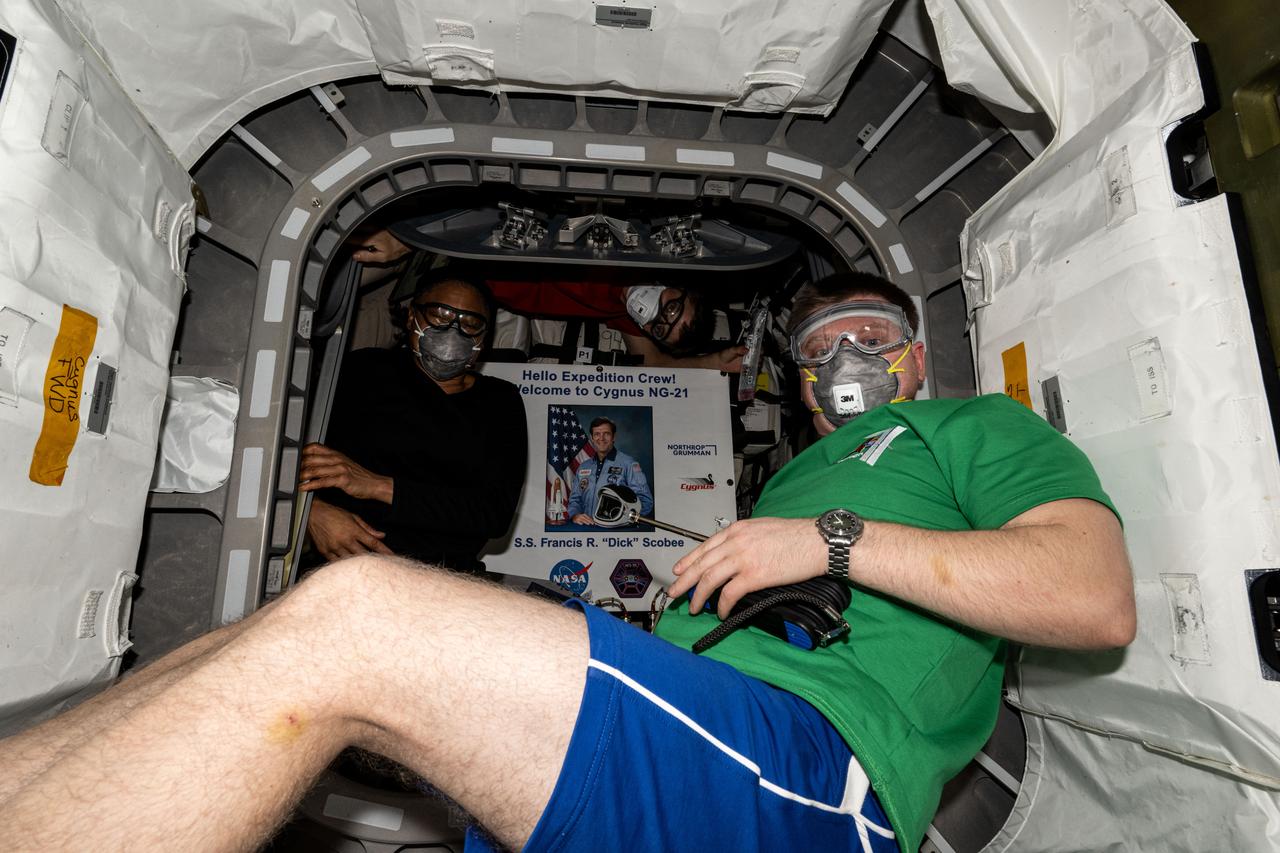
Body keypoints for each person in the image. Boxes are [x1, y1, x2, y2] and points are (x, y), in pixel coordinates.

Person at [0, 273, 1135, 853]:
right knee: (239, 653)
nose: (843, 357)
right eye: (819, 346)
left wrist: (830, 540)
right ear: (794, 381)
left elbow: (1088, 598)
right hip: (711, 719)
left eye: (869, 337)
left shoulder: (970, 430)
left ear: (917, 355)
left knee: (354, 625)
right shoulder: (793, 475)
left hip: (813, 761)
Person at [300, 271, 527, 573]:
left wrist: (376, 486)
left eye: (470, 323)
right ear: (411, 317)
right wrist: (311, 513)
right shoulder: (362, 372)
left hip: (448, 578)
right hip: (349, 569)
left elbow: (491, 514)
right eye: (439, 315)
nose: (453, 330)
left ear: (483, 339)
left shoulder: (500, 401)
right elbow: (291, 454)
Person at [355, 227, 749, 372]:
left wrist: (712, 361)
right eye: (672, 306)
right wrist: (411, 236)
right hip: (440, 246)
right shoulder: (622, 241)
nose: (655, 315)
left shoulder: (624, 315)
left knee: (347, 342)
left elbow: (655, 361)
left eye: (660, 327)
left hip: (434, 290)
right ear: (676, 282)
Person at [566, 416, 655, 525]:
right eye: (597, 434)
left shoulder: (628, 464)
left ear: (614, 437)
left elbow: (645, 501)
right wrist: (575, 515)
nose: (601, 438)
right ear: (592, 438)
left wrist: (621, 521)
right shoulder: (584, 467)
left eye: (606, 434)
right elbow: (575, 499)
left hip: (617, 532)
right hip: (587, 529)